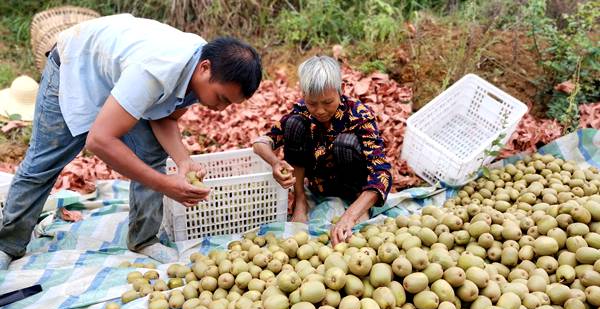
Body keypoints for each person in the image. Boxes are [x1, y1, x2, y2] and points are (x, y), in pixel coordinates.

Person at [0, 14, 262, 269]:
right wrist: (164, 184)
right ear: (205, 68)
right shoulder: (156, 70)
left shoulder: (199, 75)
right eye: (222, 98)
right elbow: (100, 141)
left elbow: (165, 119)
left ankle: (143, 238)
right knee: (45, 161)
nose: (222, 108)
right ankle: (7, 244)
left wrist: (184, 161)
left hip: (123, 77)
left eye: (230, 103)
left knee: (151, 152)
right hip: (77, 66)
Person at [253, 55, 392, 246]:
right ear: (304, 95)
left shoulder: (359, 115)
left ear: (340, 90)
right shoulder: (301, 111)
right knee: (293, 125)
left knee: (346, 143)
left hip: (353, 185)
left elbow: (381, 172)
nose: (319, 111)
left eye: (327, 102)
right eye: (312, 103)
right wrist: (275, 162)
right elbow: (261, 143)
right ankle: (301, 201)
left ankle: (357, 206)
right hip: (318, 185)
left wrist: (349, 216)